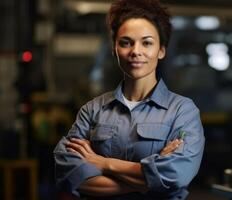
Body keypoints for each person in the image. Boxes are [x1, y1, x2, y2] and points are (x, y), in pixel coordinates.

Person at [53, 0, 205, 199]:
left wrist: (102, 163)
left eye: (147, 42)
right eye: (126, 42)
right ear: (115, 49)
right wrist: (149, 181)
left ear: (161, 50)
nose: (136, 51)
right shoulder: (92, 111)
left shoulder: (182, 111)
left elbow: (176, 175)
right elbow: (69, 174)